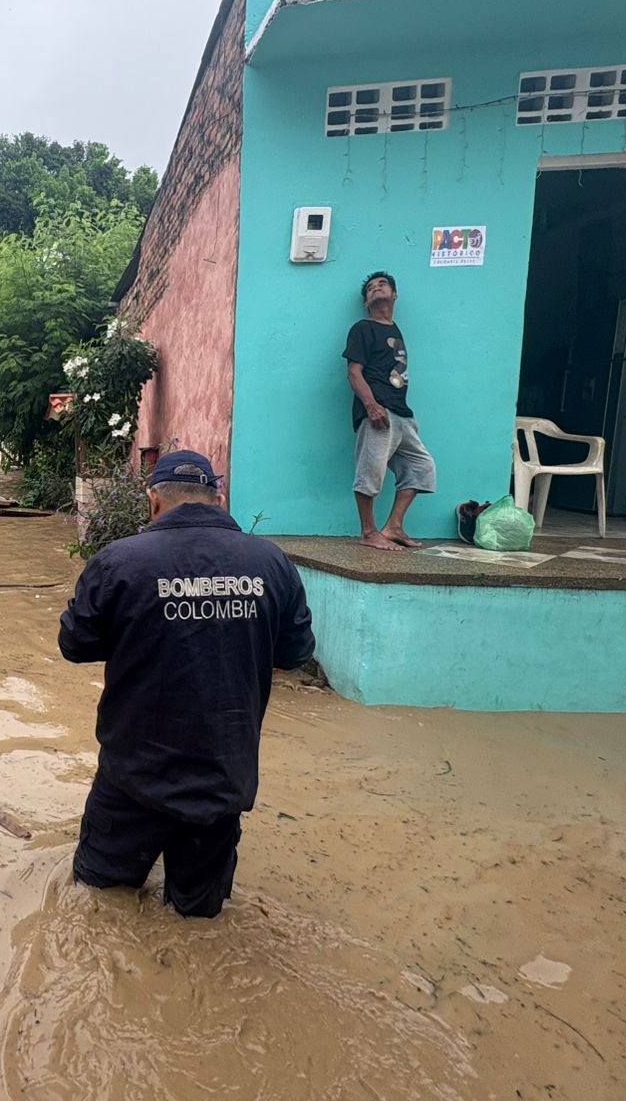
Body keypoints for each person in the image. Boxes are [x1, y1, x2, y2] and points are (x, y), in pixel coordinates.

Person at [58, 449, 315, 918]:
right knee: (199, 919)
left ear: (154, 500)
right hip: (223, 780)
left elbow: (74, 644)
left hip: (133, 780)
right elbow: (296, 653)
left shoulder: (120, 561)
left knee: (97, 906)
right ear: (218, 498)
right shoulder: (271, 562)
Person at [344, 271, 437, 551]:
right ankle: (369, 532)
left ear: (394, 295)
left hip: (402, 413)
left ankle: (393, 526)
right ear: (365, 303)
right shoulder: (363, 328)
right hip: (378, 411)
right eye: (370, 288)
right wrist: (371, 406)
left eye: (382, 285)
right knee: (370, 472)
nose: (376, 289)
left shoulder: (394, 329)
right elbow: (353, 372)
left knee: (422, 467)